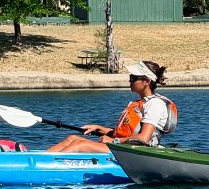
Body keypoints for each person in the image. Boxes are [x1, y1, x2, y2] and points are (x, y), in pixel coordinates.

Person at [46, 60, 177, 154]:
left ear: (147, 81)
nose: (130, 80)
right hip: (125, 146)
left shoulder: (154, 104)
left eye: (133, 78)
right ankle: (34, 158)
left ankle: (45, 166)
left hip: (138, 153)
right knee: (72, 138)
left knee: (78, 144)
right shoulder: (142, 103)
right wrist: (99, 128)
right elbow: (127, 133)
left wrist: (113, 142)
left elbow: (143, 138)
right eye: (130, 77)